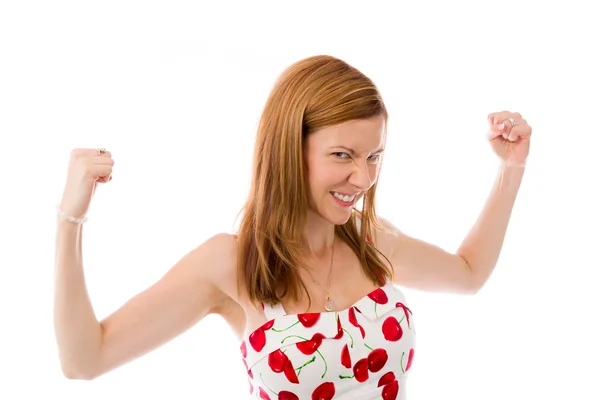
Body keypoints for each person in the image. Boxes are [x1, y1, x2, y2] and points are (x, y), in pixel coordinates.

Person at [53, 54, 532, 399]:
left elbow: (468, 273)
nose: (362, 178)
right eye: (342, 155)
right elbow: (85, 360)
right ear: (289, 150)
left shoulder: (371, 239)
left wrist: (510, 168)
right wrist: (69, 219)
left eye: (373, 157)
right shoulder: (231, 265)